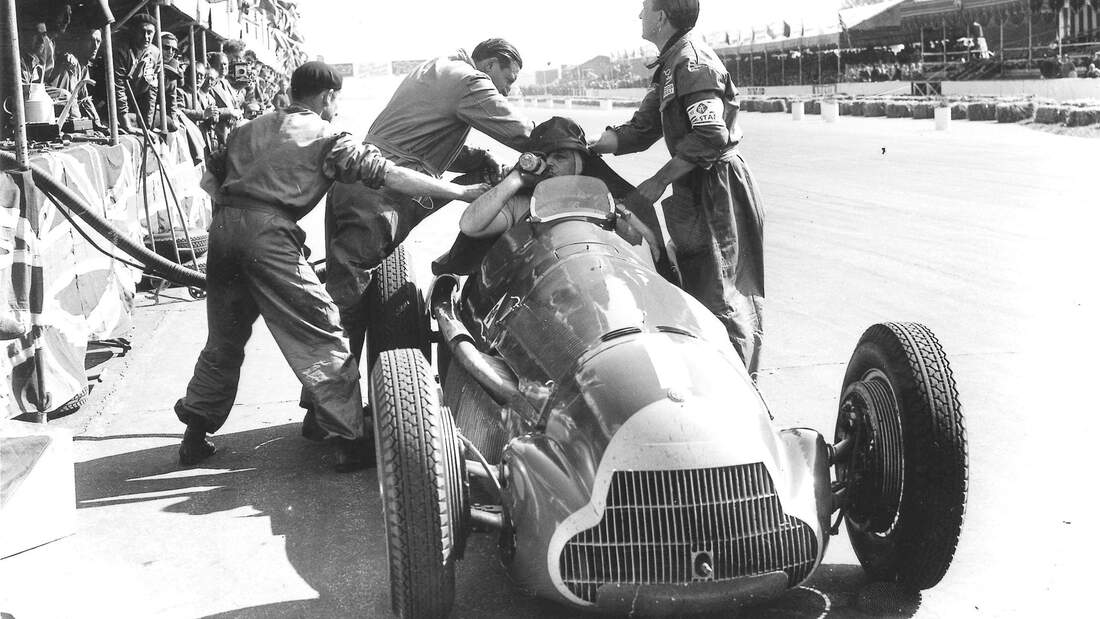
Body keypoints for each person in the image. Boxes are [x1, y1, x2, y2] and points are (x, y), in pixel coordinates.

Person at [173, 61, 488, 472]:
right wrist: (461, 191)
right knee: (323, 332)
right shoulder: (327, 137)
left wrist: (238, 223)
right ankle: (347, 440)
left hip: (224, 230)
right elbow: (391, 176)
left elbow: (210, 179)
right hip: (268, 235)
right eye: (336, 101)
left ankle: (194, 437)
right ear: (327, 97)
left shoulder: (247, 127)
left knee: (224, 340)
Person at [588, 0, 765, 378]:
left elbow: (711, 136)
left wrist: (656, 183)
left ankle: (740, 390)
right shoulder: (671, 64)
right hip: (693, 187)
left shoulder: (692, 62)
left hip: (716, 189)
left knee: (724, 297)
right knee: (697, 288)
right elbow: (642, 129)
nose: (639, 15)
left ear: (662, 16)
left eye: (644, 9)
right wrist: (592, 144)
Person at [458, 116, 657, 252]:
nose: (550, 164)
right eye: (544, 158)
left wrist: (622, 218)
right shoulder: (522, 205)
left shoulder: (606, 202)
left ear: (580, 162)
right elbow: (470, 226)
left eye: (560, 157)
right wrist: (515, 179)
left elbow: (647, 249)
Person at [113, 13, 161, 134]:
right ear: (133, 32)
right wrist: (126, 125)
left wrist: (146, 128)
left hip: (136, 100)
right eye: (142, 32)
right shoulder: (121, 50)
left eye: (149, 32)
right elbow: (118, 89)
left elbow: (152, 92)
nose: (146, 37)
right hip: (110, 102)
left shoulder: (155, 54)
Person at [47, 28, 102, 124]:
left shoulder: (84, 66)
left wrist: (97, 122)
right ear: (80, 41)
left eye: (98, 41)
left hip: (69, 115)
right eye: (90, 40)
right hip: (56, 118)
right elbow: (65, 100)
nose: (95, 46)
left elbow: (84, 99)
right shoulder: (69, 62)